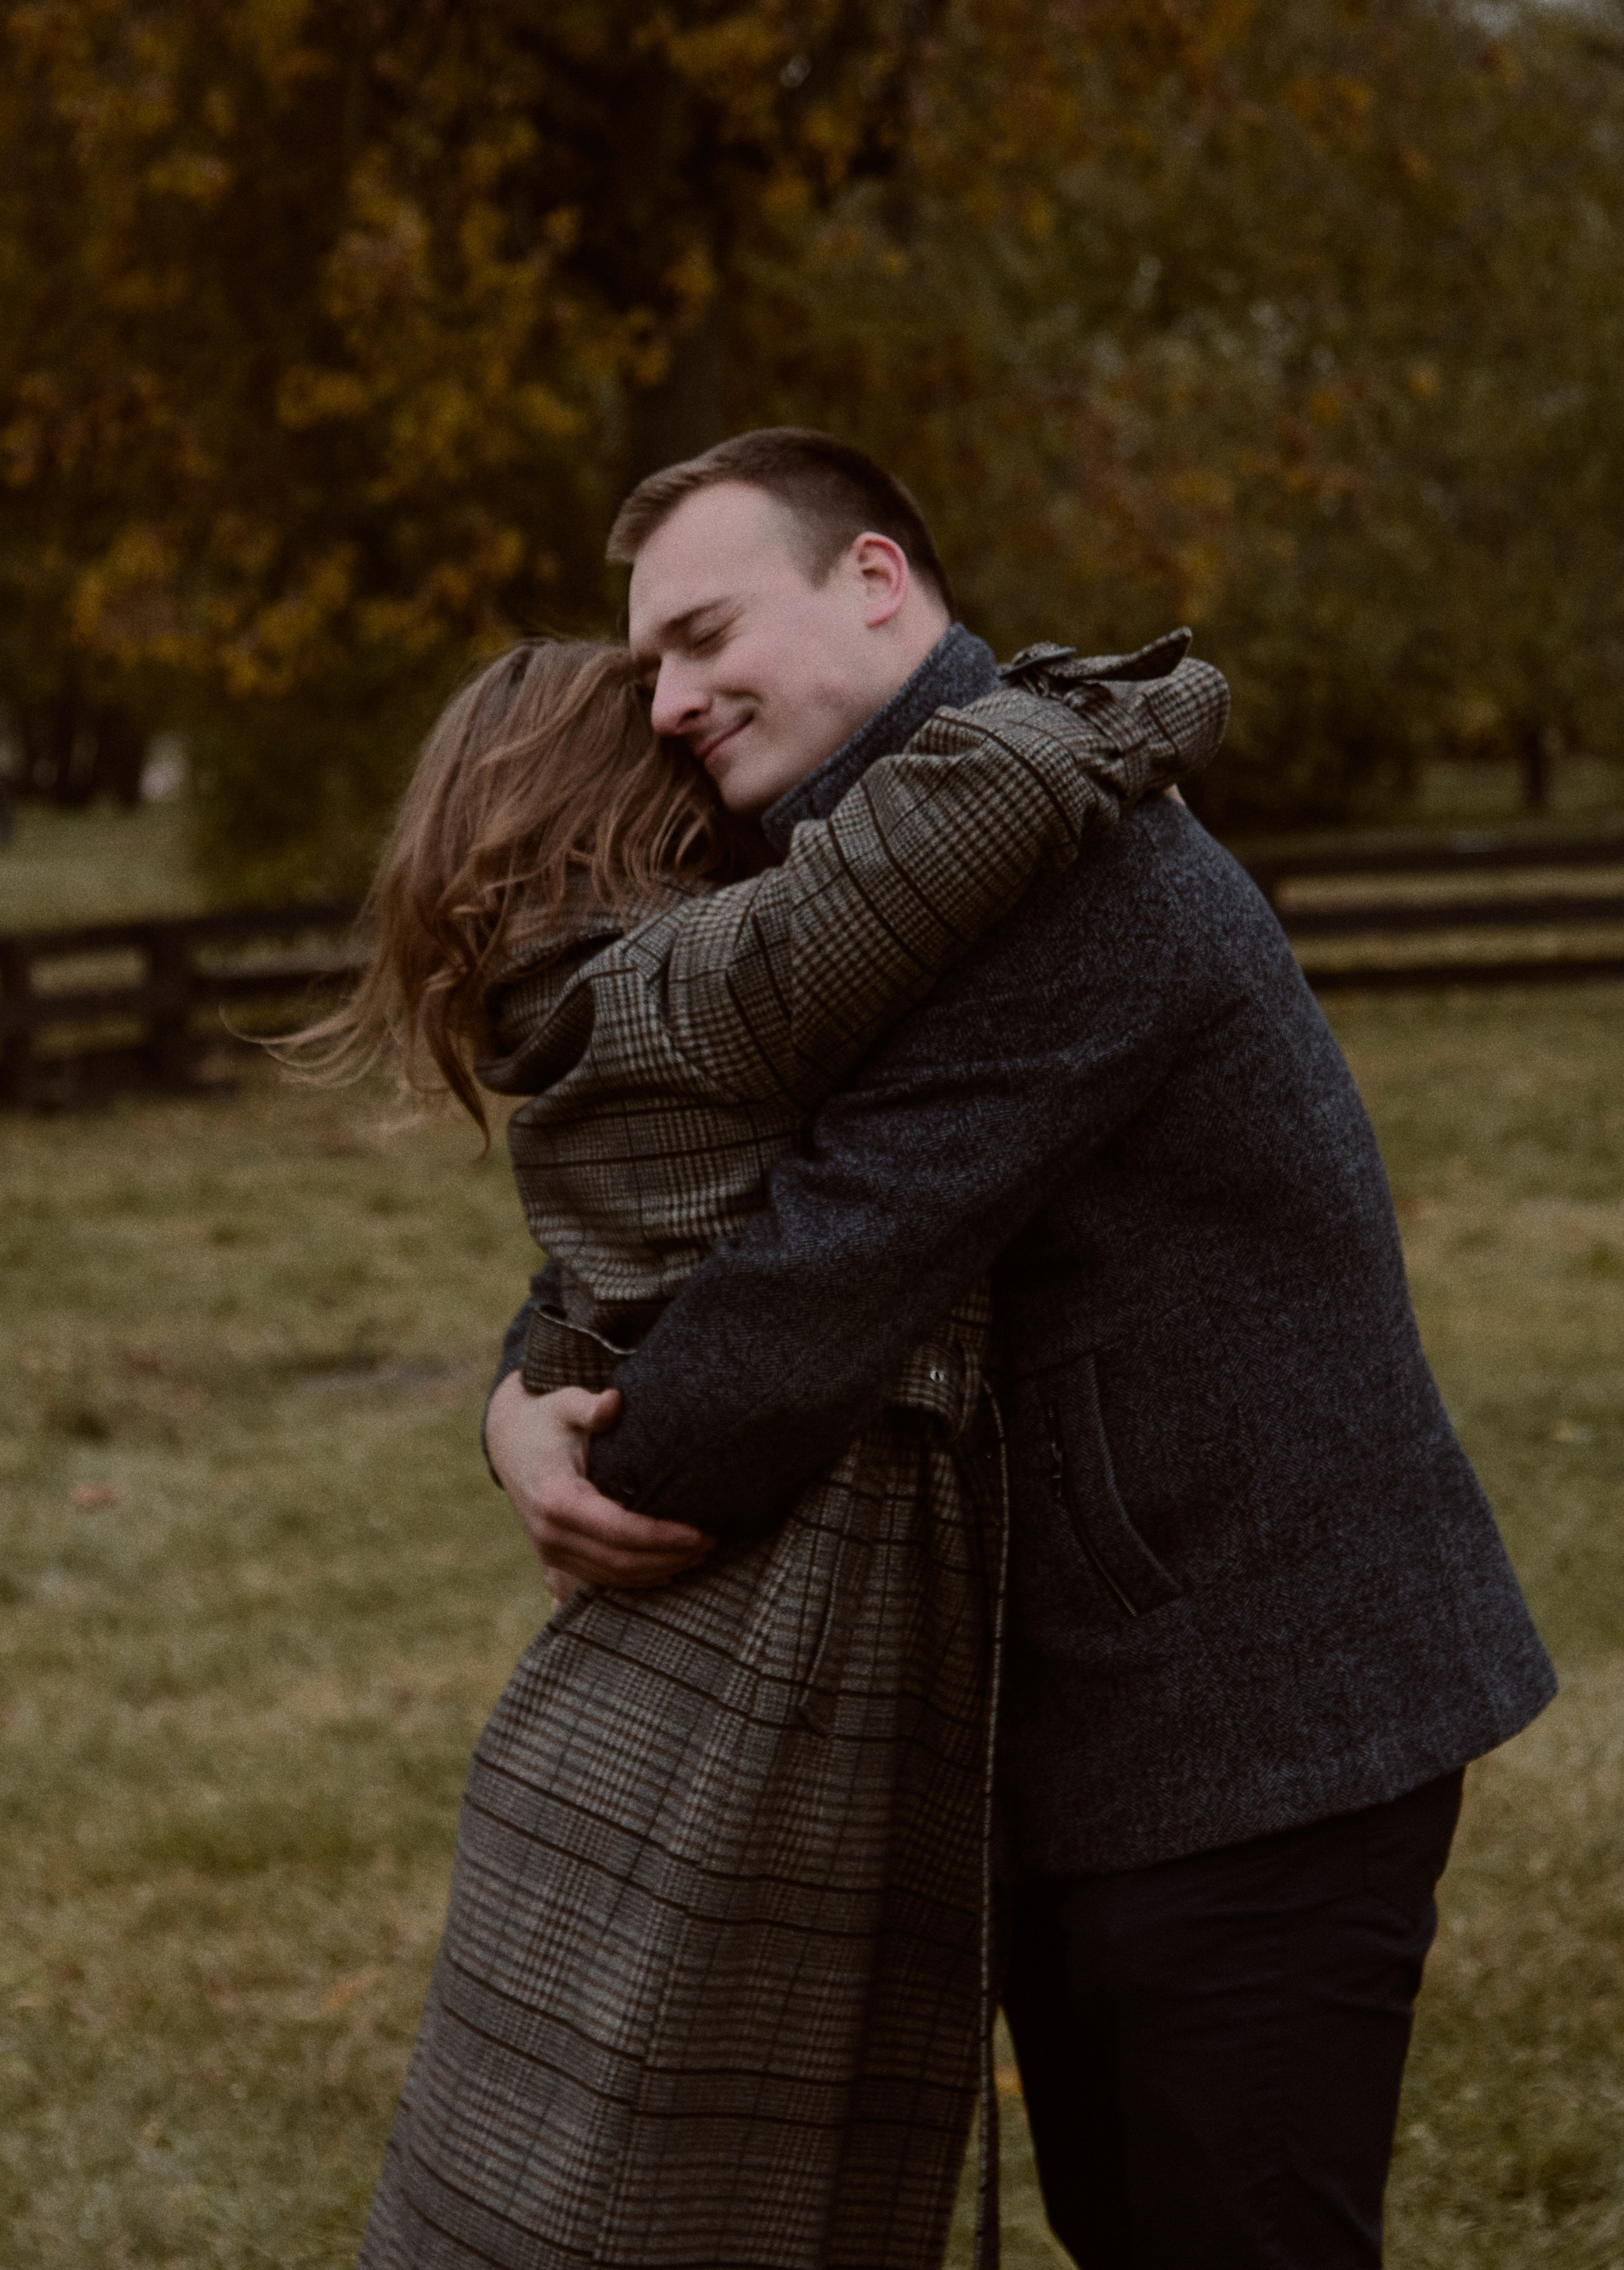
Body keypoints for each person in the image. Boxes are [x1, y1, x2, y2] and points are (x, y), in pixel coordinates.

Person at [488, 427, 1559, 2270]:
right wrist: (526, 1389)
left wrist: (612, 1455)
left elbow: (826, 1264)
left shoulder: (1052, 861)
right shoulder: (882, 868)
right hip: (1095, 1716)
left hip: (1264, 1716)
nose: (666, 701)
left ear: (876, 583)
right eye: (647, 661)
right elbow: (699, 1169)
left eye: (703, 635)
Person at [291, 613, 1227, 2267]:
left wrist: (515, 1409)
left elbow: (575, 1302)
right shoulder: (698, 994)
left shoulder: (575, 1018)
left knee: (543, 2203)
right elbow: (934, 839)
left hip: (637, 1717)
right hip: (743, 1721)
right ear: (642, 811)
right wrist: (1116, 701)